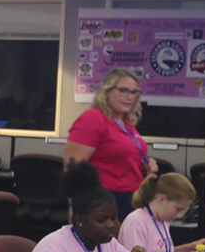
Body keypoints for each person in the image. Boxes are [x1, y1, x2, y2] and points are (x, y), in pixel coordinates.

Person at [22, 162, 156, 252]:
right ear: (80, 220)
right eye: (101, 220)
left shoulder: (109, 243)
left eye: (114, 218)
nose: (111, 225)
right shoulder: (53, 250)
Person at [66, 69, 158, 216]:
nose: (130, 97)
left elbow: (119, 155)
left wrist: (143, 164)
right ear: (107, 91)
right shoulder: (93, 118)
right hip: (104, 199)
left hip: (132, 197)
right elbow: (73, 168)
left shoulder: (126, 122)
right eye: (123, 91)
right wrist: (77, 209)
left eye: (134, 92)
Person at [118, 172, 202, 252]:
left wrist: (188, 248)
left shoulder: (163, 220)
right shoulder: (136, 222)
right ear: (162, 199)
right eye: (178, 209)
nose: (180, 215)